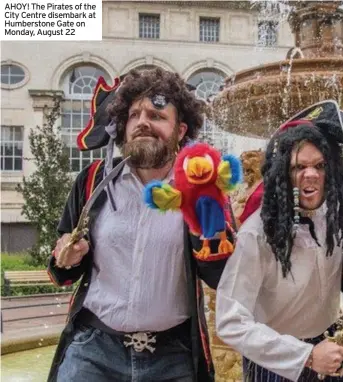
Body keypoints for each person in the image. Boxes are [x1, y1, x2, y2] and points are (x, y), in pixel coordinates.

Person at [46, 67, 233, 382]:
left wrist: (210, 232)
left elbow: (222, 277)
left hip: (172, 357)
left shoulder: (202, 188)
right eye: (134, 115)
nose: (143, 121)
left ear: (180, 129)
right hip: (94, 352)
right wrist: (64, 258)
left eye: (157, 116)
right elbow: (61, 271)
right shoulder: (93, 181)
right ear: (124, 125)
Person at [215, 100, 343, 381]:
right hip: (278, 365)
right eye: (299, 167)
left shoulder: (337, 217)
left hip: (332, 352)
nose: (311, 174)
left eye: (320, 165)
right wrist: (305, 356)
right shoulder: (257, 233)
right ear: (284, 172)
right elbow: (230, 320)